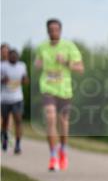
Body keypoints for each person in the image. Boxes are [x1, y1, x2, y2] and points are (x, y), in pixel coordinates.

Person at [34, 19, 84, 171]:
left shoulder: (69, 46)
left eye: (56, 29)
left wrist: (66, 62)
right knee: (50, 118)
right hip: (48, 88)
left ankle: (63, 149)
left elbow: (80, 68)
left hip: (64, 90)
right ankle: (53, 156)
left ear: (60, 31)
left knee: (63, 122)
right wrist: (37, 64)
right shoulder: (42, 47)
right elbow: (37, 63)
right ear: (47, 31)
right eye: (51, 30)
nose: (53, 32)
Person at [1, 44, 29, 154]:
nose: (14, 58)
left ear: (18, 57)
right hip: (5, 98)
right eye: (12, 56)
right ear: (8, 57)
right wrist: (3, 80)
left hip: (17, 98)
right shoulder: (3, 66)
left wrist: (23, 81)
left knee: (18, 120)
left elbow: (26, 79)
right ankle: (4, 137)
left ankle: (17, 145)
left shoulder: (22, 66)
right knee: (5, 121)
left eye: (15, 56)